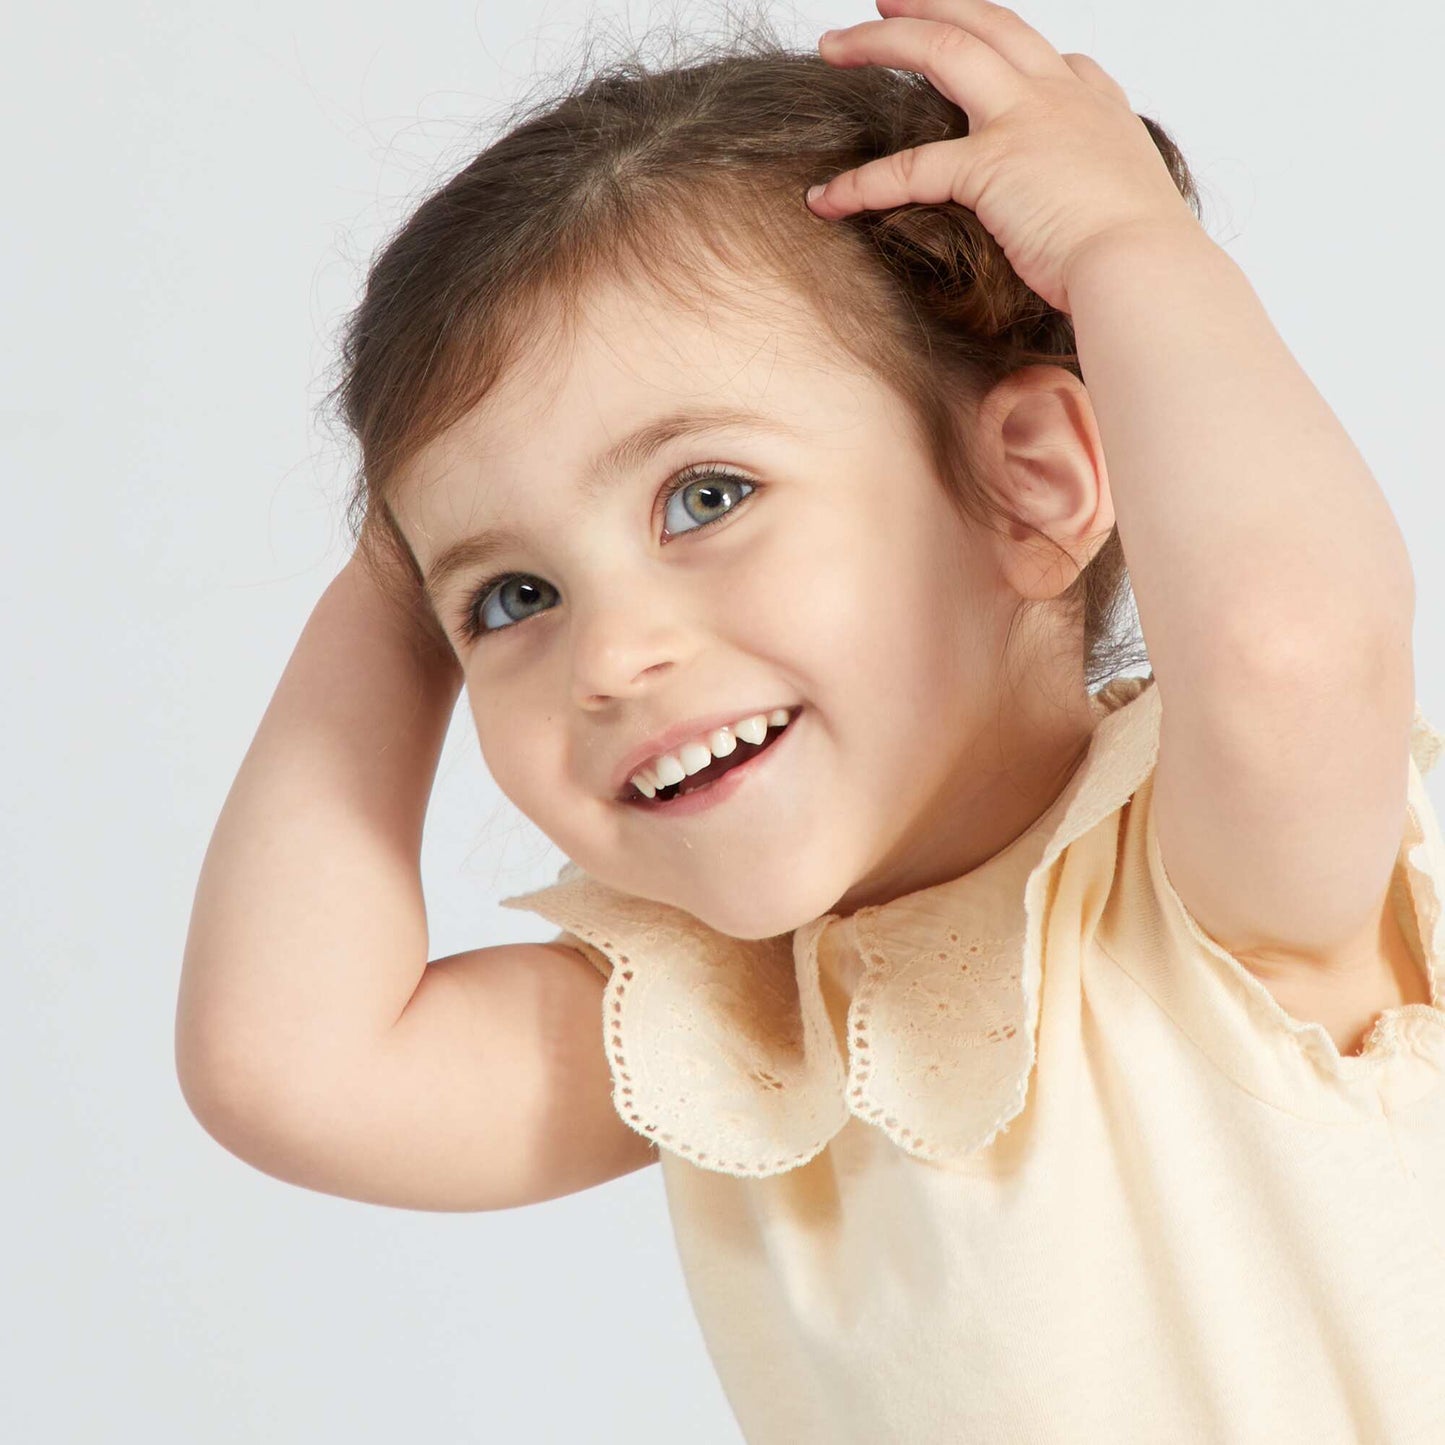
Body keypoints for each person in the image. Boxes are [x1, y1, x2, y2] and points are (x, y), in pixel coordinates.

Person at [176, 4, 1445, 1440]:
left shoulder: (1214, 896)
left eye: (705, 495)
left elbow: (1290, 650)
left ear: (1028, 484)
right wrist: (399, 549)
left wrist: (1123, 250)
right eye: (513, 594)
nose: (608, 654)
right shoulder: (723, 1022)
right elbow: (285, 1066)